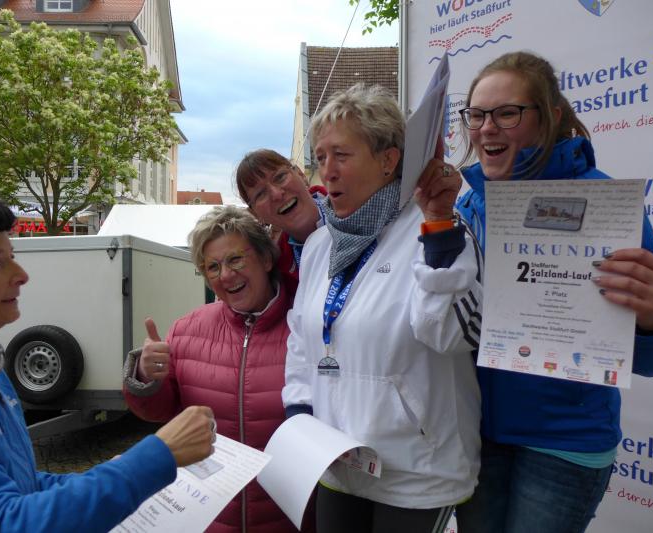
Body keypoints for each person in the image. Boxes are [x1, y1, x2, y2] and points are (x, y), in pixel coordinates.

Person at [0, 192, 216, 533]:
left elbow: (20, 484)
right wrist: (155, 457)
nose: (22, 275)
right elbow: (2, 523)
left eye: (13, 257)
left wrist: (117, 472)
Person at [449, 51, 653, 533]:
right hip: (479, 433)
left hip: (564, 445)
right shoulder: (469, 203)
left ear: (550, 116)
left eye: (507, 113)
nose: (486, 128)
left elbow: (649, 360)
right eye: (477, 114)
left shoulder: (603, 204)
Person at [282, 83, 484, 533]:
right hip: (339, 463)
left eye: (342, 155)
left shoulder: (438, 228)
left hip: (418, 472)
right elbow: (302, 339)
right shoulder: (319, 245)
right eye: (321, 157)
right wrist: (299, 411)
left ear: (388, 160)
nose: (327, 171)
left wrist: (438, 225)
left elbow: (448, 334)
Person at [123, 206, 309, 533]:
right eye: (212, 267)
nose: (225, 275)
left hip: (290, 518)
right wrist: (146, 376)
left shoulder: (307, 325)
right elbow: (159, 411)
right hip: (210, 519)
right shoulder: (186, 329)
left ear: (266, 259)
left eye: (235, 259)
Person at [235, 149, 327, 282]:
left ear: (300, 174)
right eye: (260, 194)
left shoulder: (354, 209)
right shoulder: (279, 272)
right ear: (255, 214)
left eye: (280, 177)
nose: (276, 194)